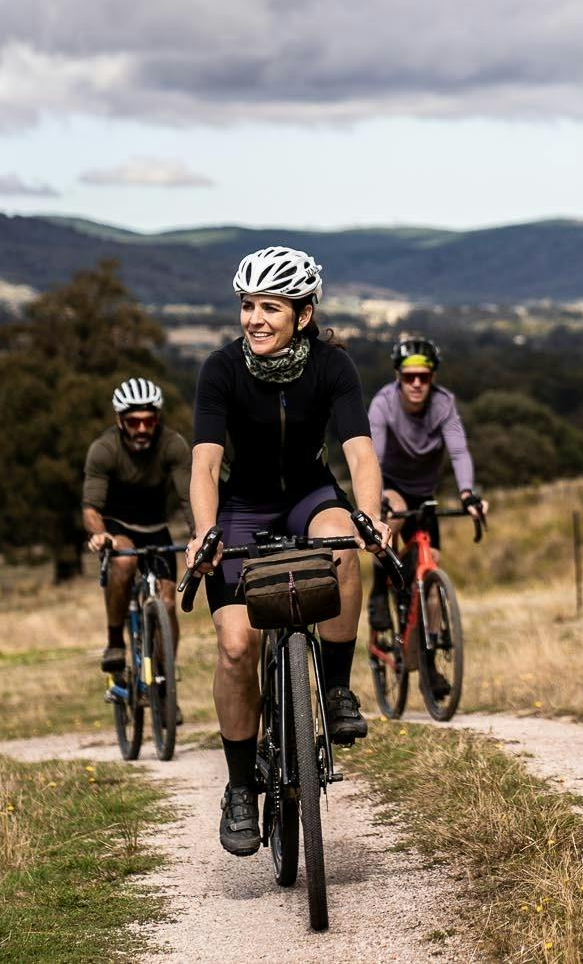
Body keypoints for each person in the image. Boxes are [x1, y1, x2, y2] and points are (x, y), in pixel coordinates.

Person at [185, 246, 387, 857]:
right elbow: (205, 464)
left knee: (340, 542)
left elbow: (359, 452)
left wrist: (370, 516)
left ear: (303, 314)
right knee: (236, 645)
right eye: (247, 305)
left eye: (270, 307)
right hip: (241, 509)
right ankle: (239, 786)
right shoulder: (221, 369)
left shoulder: (333, 366)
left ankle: (337, 688)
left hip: (308, 495)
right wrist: (204, 530)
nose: (255, 319)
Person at [365, 337, 488, 700]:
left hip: (425, 494)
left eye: (424, 377)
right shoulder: (383, 404)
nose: (417, 384)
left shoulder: (444, 404)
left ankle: (429, 666)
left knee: (430, 575)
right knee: (390, 518)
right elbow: (373, 457)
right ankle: (378, 592)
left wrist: (467, 494)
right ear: (398, 377)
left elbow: (459, 452)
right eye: (409, 377)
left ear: (432, 378)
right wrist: (376, 501)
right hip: (390, 486)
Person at [82, 377, 193, 673]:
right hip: (118, 528)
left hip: (156, 529)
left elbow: (189, 498)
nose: (142, 429)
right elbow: (91, 508)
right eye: (134, 422)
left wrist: (201, 534)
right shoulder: (104, 449)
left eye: (149, 421)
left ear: (157, 419)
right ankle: (115, 641)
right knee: (123, 562)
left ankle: (164, 678)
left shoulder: (173, 445)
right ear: (120, 421)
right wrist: (100, 534)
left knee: (167, 603)